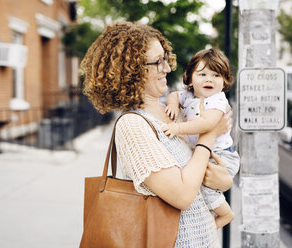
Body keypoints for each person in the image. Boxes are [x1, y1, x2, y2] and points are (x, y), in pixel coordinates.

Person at [81, 21, 237, 247]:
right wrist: (209, 134)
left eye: (165, 58)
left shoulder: (173, 111)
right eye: (158, 62)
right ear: (132, 71)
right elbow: (183, 195)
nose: (167, 68)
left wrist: (224, 180)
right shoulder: (133, 126)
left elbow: (200, 178)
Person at [162, 48, 240, 229]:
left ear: (225, 81)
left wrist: (178, 127)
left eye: (216, 75)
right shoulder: (188, 96)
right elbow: (173, 95)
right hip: (206, 151)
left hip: (221, 155)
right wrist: (173, 105)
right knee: (197, 185)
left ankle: (225, 213)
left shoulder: (217, 101)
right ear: (189, 78)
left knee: (205, 189)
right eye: (202, 73)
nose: (209, 79)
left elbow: (207, 124)